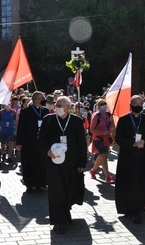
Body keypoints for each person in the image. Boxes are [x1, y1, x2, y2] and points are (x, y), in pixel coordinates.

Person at [37, 96, 87, 234]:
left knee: (69, 189)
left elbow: (82, 143)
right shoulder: (49, 119)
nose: (58, 107)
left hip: (72, 163)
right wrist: (47, 151)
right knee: (56, 191)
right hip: (54, 162)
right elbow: (40, 140)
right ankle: (59, 221)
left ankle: (65, 213)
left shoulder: (76, 121)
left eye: (61, 105)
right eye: (57, 105)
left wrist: (83, 162)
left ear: (68, 108)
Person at [115, 95, 145, 224]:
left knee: (140, 184)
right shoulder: (123, 119)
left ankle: (138, 209)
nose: (138, 106)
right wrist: (132, 144)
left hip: (143, 156)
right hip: (128, 156)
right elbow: (119, 138)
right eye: (135, 103)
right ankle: (132, 210)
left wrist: (144, 141)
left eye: (140, 103)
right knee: (130, 183)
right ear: (130, 105)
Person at [16, 91, 49, 193]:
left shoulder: (45, 111)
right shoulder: (26, 112)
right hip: (29, 142)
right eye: (40, 98)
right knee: (29, 162)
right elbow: (21, 128)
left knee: (41, 163)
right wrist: (19, 142)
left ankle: (40, 183)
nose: (42, 100)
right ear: (35, 99)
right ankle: (29, 184)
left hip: (42, 142)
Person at [89, 99, 115, 183]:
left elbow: (112, 127)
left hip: (106, 139)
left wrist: (112, 124)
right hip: (98, 139)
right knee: (104, 155)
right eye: (101, 104)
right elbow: (92, 129)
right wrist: (102, 132)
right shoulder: (96, 116)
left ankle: (93, 170)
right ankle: (107, 176)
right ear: (98, 106)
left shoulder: (109, 115)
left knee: (102, 156)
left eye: (105, 103)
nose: (104, 105)